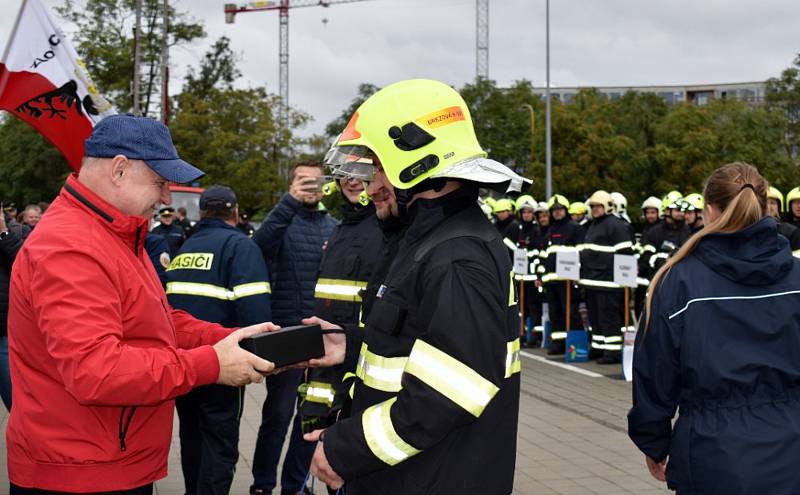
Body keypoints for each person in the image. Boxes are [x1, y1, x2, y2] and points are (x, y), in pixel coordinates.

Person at [6, 114, 278, 495]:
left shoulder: (111, 234)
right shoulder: (71, 247)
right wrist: (212, 363)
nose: (167, 196)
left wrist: (235, 339)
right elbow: (97, 371)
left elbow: (156, 323)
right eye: (160, 182)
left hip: (104, 460)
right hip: (81, 472)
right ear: (119, 170)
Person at [304, 78, 525, 494]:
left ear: (420, 163)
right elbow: (423, 342)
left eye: (378, 168)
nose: (370, 187)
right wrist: (349, 345)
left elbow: (450, 392)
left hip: (431, 477)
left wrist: (345, 451)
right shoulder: (423, 240)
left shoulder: (457, 257)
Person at [628, 162, 800, 494]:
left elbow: (654, 373)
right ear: (767, 208)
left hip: (712, 458)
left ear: (709, 212)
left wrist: (654, 441)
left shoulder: (677, 281)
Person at [166, 185, 273, 495]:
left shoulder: (186, 248)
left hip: (185, 363)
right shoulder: (241, 246)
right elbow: (256, 315)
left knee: (192, 438)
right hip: (224, 365)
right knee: (219, 446)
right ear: (235, 212)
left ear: (202, 213)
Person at [250, 161, 337, 495]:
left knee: (311, 420)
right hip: (286, 337)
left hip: (321, 338)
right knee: (277, 416)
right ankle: (261, 484)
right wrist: (288, 203)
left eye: (316, 182)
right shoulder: (281, 220)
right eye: (303, 181)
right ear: (291, 185)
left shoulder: (333, 226)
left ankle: (295, 485)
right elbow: (258, 247)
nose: (310, 187)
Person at [295, 173, 385, 485]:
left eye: (361, 172)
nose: (351, 181)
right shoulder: (341, 228)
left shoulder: (386, 229)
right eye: (344, 174)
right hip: (328, 366)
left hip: (359, 367)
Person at [580, 190, 635, 364]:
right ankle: (598, 347)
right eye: (593, 206)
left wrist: (624, 280)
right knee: (595, 318)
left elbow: (626, 253)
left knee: (608, 318)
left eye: (598, 206)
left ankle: (612, 353)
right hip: (591, 281)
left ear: (608, 207)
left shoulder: (616, 225)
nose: (595, 209)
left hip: (608, 283)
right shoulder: (593, 224)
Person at [537, 194, 583, 355]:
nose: (557, 212)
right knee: (555, 314)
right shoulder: (550, 230)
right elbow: (544, 256)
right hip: (551, 281)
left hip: (568, 281)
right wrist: (540, 276)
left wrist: (577, 275)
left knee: (570, 313)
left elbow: (581, 253)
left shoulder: (575, 228)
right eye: (554, 210)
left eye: (560, 209)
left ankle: (576, 345)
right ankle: (559, 343)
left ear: (566, 210)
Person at [0, 208, 29, 411]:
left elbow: (27, 263)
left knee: (17, 400)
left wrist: (3, 232)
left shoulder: (18, 230)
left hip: (5, 331)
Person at [767, 186, 800, 257]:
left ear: (779, 207)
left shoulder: (790, 231)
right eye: (796, 202)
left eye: (772, 203)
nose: (768, 207)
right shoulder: (747, 229)